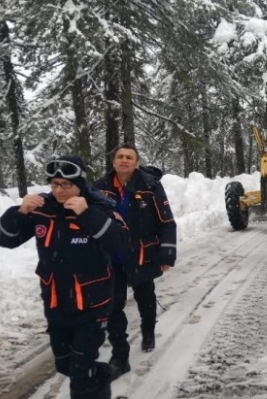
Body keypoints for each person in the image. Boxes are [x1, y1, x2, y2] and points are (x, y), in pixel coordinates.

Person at [0, 155, 128, 399]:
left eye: (67, 184)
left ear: (80, 185)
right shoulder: (44, 210)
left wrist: (86, 215)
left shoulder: (99, 207)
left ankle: (93, 383)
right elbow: (3, 239)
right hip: (56, 304)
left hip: (92, 306)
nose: (60, 190)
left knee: (80, 374)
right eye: (55, 184)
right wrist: (20, 213)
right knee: (64, 365)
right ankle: (103, 375)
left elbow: (120, 241)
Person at [93, 144, 177, 379]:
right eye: (119, 156)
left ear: (136, 162)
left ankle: (148, 330)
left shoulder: (150, 186)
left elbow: (167, 221)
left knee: (145, 297)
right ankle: (120, 357)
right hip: (112, 258)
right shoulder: (99, 188)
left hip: (142, 253)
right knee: (113, 306)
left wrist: (167, 252)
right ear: (113, 162)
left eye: (129, 157)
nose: (124, 160)